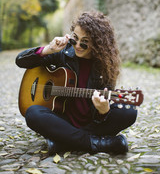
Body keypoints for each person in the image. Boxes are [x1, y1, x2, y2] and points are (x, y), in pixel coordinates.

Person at [16, 10, 137, 155]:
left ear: (97, 44)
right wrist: (49, 49)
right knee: (33, 113)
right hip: (61, 120)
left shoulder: (106, 66)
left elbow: (101, 111)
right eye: (75, 39)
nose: (78, 45)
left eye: (84, 42)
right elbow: (20, 60)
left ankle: (63, 141)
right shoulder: (65, 53)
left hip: (89, 123)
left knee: (129, 111)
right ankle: (98, 143)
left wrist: (103, 112)